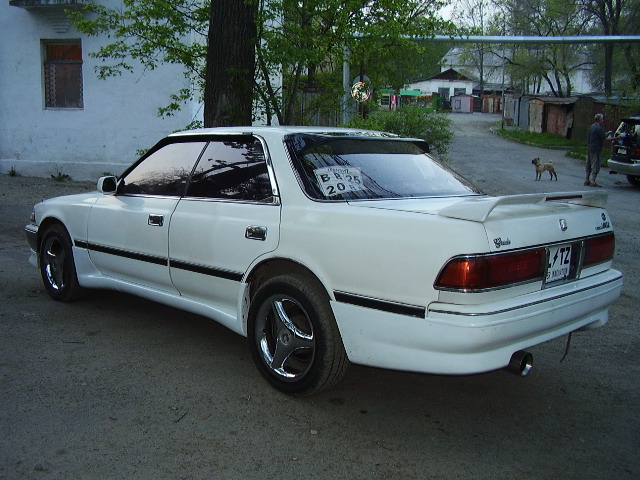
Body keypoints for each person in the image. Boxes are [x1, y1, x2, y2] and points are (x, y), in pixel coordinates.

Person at [586, 113, 605, 187]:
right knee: (595, 165)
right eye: (602, 119)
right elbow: (604, 138)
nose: (603, 120)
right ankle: (593, 181)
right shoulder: (599, 128)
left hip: (590, 147)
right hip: (596, 149)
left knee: (589, 164)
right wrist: (618, 138)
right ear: (600, 120)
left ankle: (587, 179)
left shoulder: (592, 127)